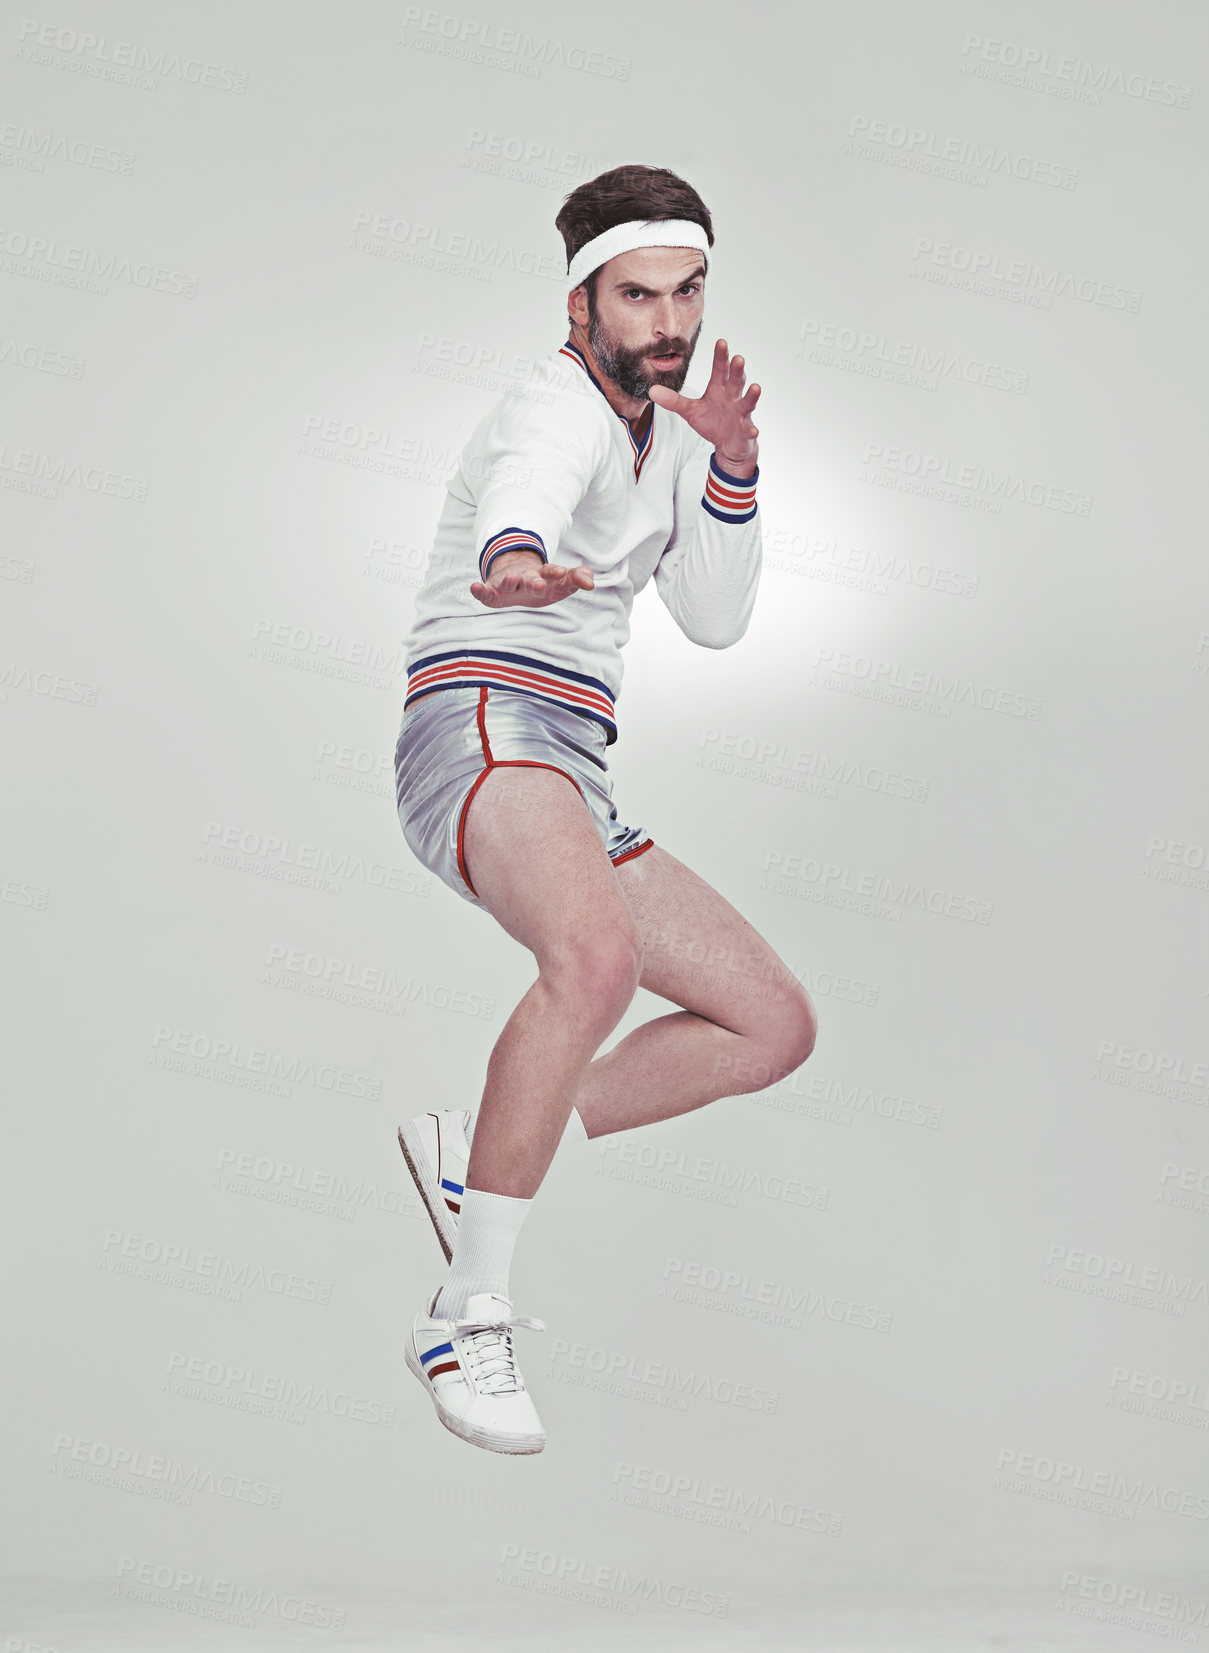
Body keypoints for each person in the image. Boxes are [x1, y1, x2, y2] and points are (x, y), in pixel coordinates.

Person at [393, 164, 817, 1455]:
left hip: (574, 763)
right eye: (637, 295)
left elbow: (715, 617)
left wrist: (732, 466)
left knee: (768, 1024)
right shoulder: (553, 402)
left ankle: (480, 1141)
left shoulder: (679, 425)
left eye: (687, 290)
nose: (666, 322)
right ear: (581, 301)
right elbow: (529, 482)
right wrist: (514, 556)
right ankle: (465, 1311)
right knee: (598, 961)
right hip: (476, 723)